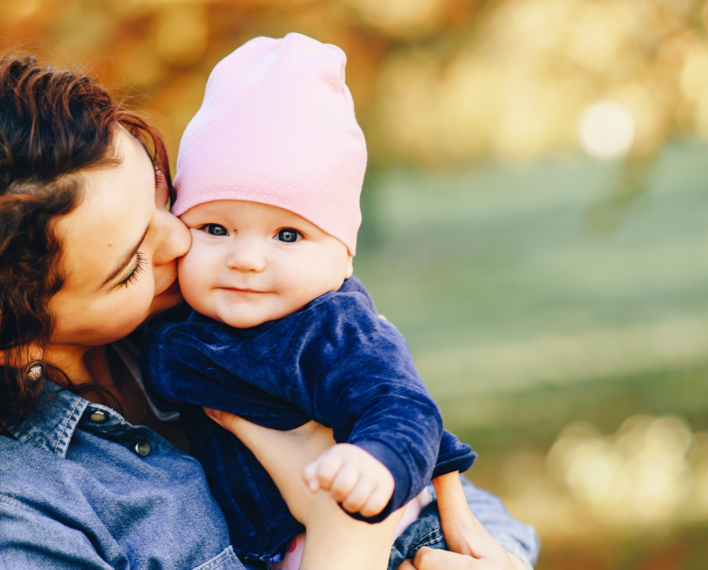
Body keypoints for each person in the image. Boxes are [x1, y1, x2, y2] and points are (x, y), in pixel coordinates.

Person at [0, 53, 539, 570]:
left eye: (164, 200)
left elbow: (442, 477)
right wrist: (345, 538)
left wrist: (500, 555)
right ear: (16, 340)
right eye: (131, 265)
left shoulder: (232, 315)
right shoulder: (21, 513)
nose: (182, 238)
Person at [141, 33, 477, 567]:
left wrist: (378, 462)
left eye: (288, 235)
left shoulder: (333, 330)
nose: (246, 258)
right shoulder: (177, 316)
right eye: (215, 227)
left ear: (344, 258)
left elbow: (402, 405)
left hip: (387, 540)